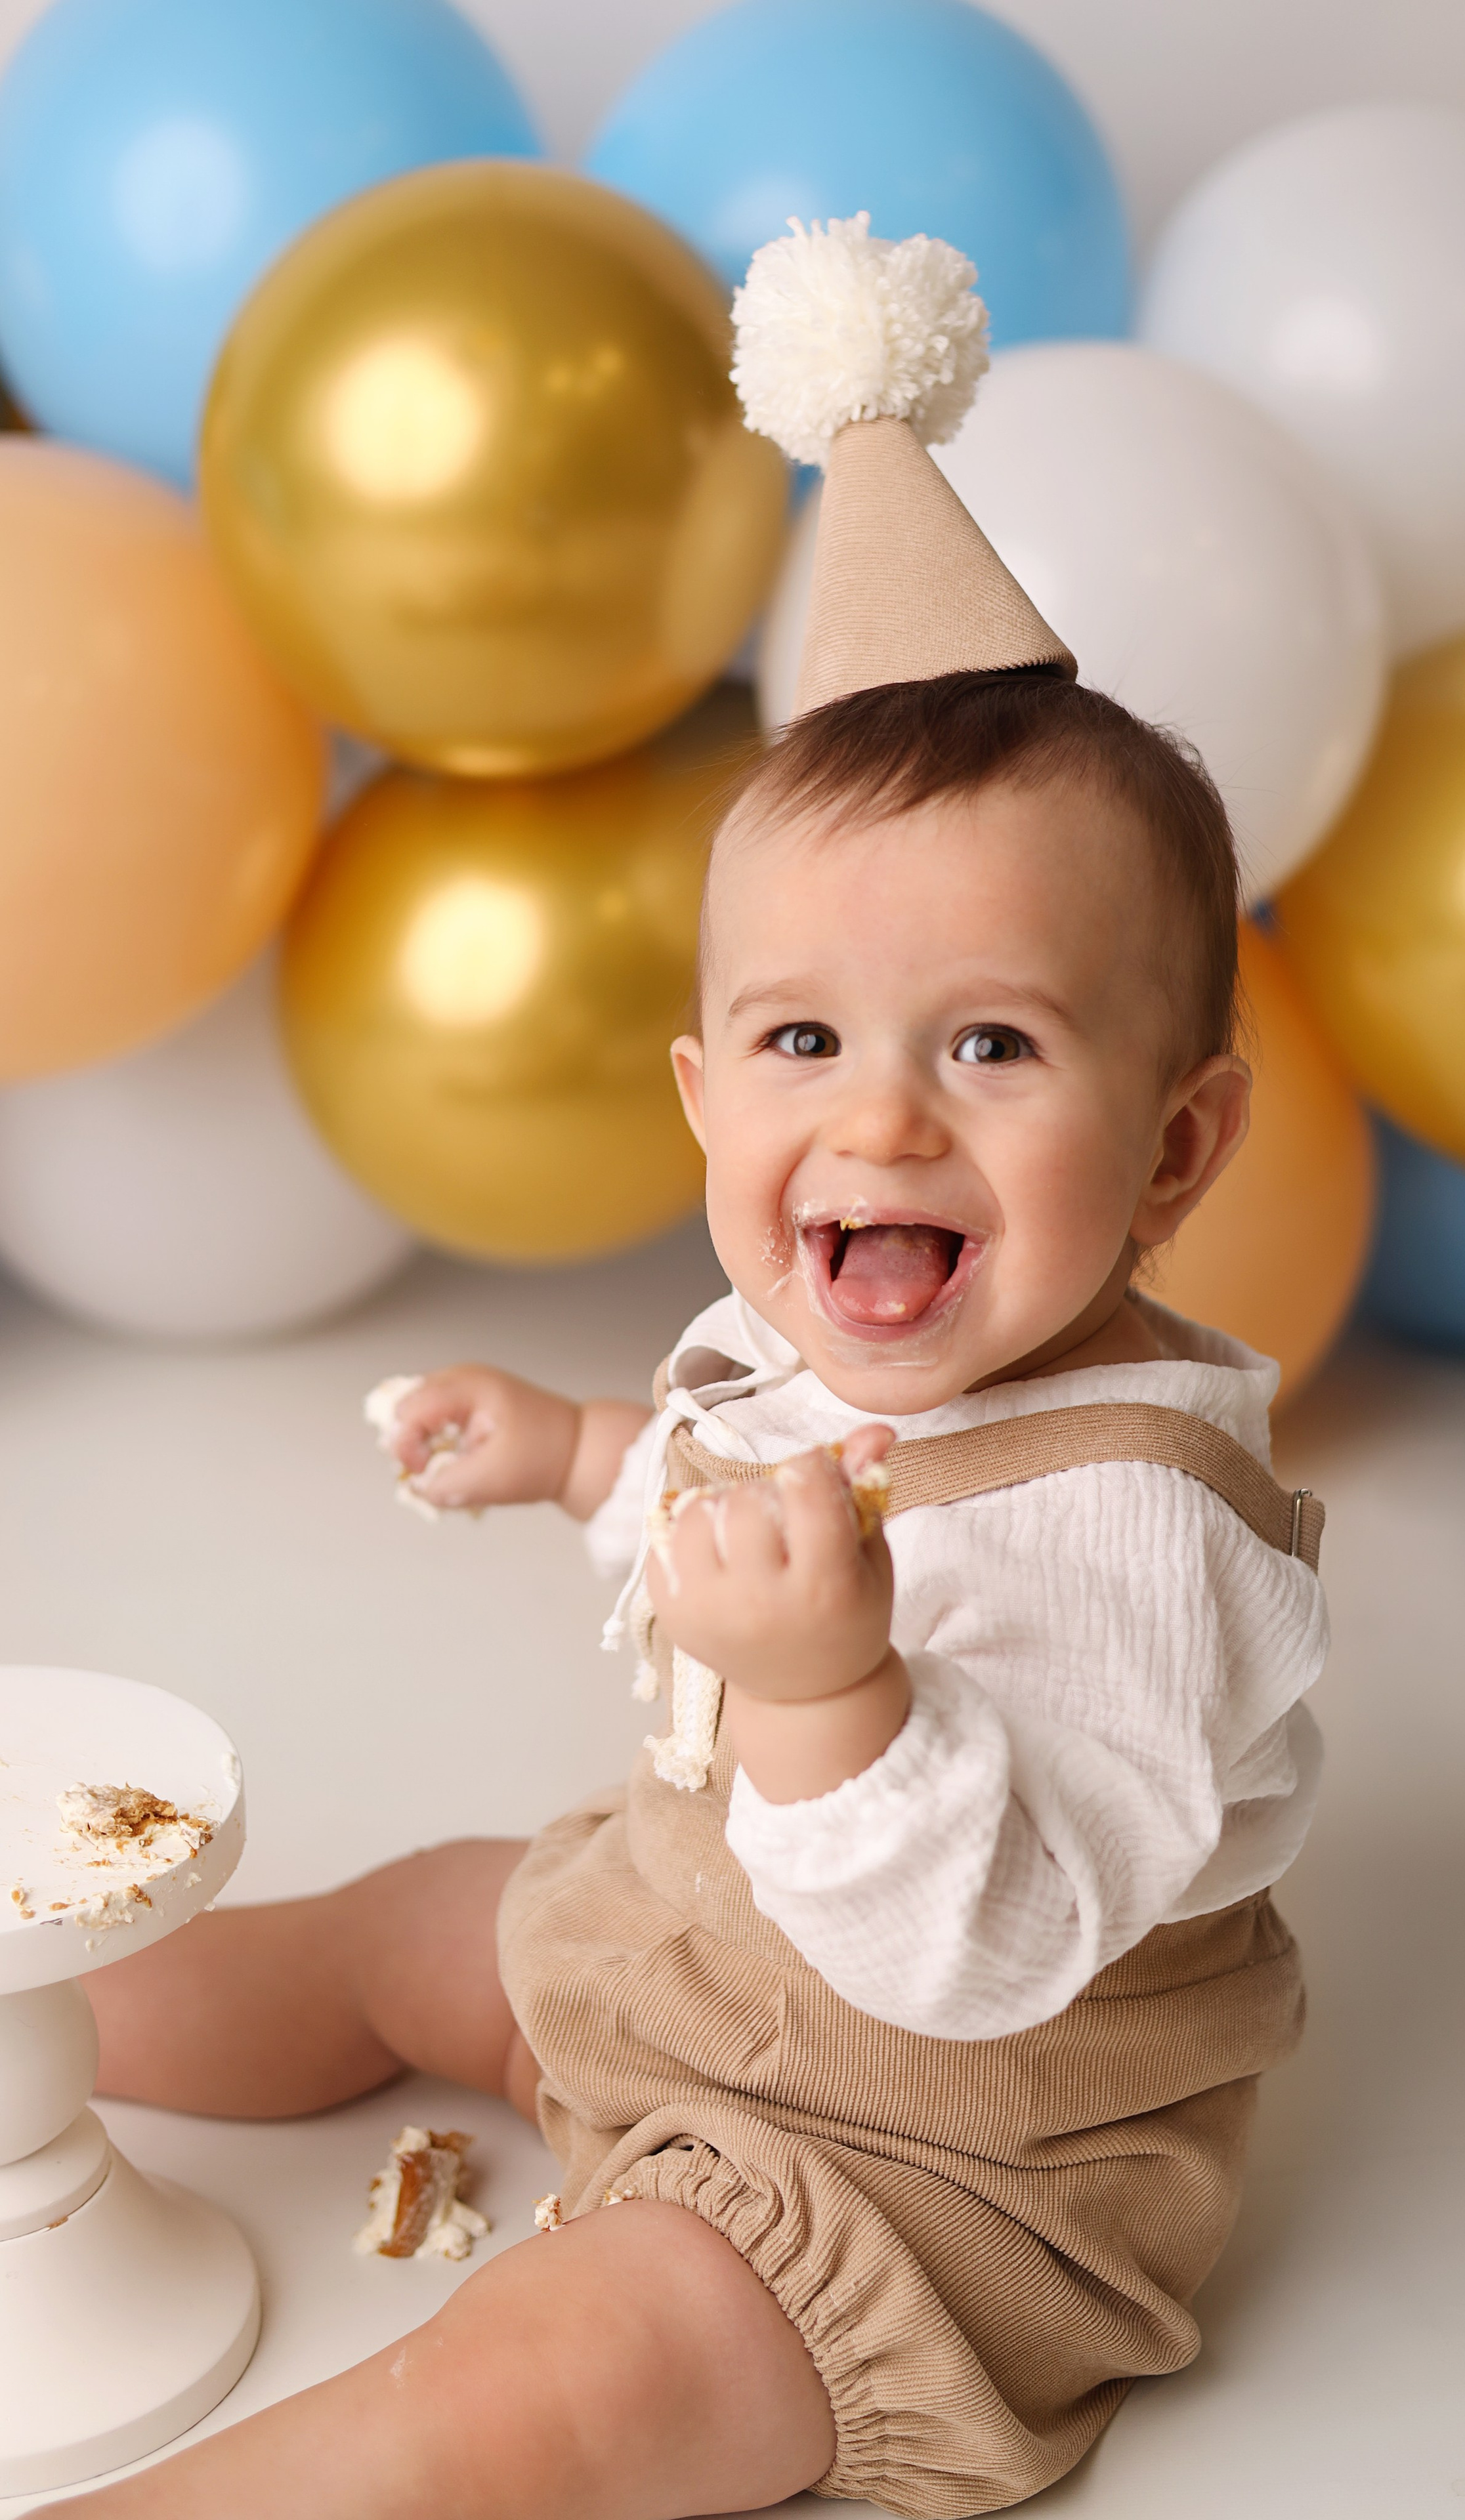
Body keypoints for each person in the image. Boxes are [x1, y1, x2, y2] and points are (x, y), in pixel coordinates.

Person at [70, 218, 1327, 2520]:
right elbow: (733, 1477)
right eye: (806, 1043)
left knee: (534, 2384)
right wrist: (578, 1456)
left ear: (1176, 1145)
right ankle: (50, 2025)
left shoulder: (1144, 1528)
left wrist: (839, 1701)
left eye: (993, 1043)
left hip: (929, 2174)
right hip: (691, 1958)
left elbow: (998, 1947)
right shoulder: (812, 1311)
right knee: (418, 1927)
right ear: (702, 1101)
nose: (881, 1118)